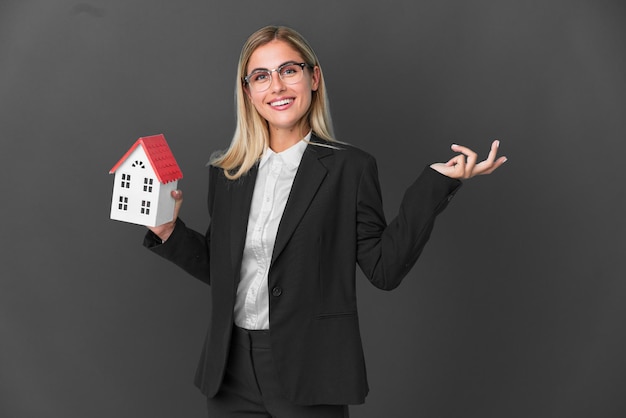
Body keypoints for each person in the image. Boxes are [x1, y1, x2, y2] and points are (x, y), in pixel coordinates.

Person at [143, 25, 506, 417]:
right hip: (230, 371)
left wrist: (435, 185)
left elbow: (384, 270)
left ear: (313, 78)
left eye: (289, 70)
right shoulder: (230, 172)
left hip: (310, 370)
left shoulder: (350, 168)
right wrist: (168, 233)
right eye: (261, 76)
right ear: (248, 92)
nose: (277, 86)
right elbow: (226, 270)